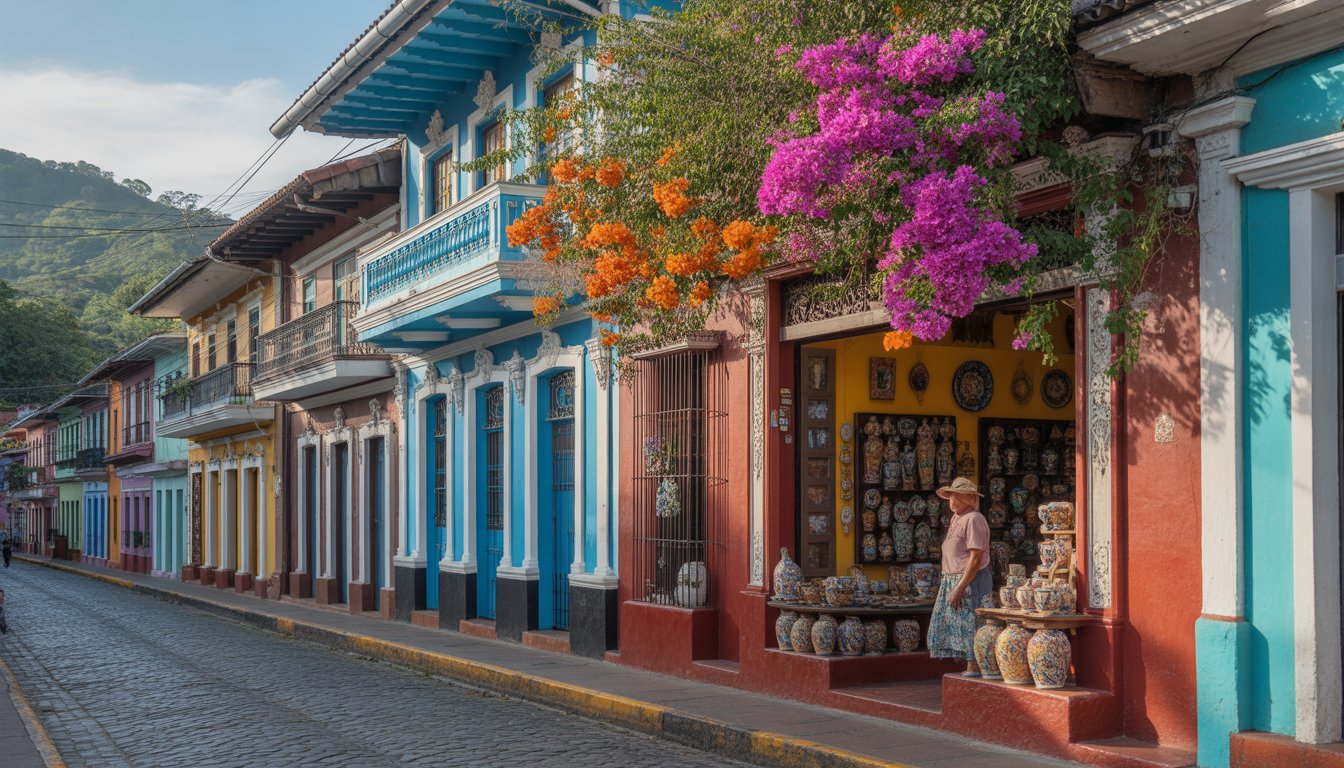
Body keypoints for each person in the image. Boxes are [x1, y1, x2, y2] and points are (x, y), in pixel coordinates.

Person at [927, 476, 992, 675]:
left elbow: (975, 558)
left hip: (970, 580)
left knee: (971, 622)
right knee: (959, 623)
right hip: (953, 579)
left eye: (958, 497)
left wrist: (960, 587)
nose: (952, 502)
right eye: (951, 497)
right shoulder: (957, 519)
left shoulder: (973, 519)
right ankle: (968, 662)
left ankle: (974, 664)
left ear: (970, 499)